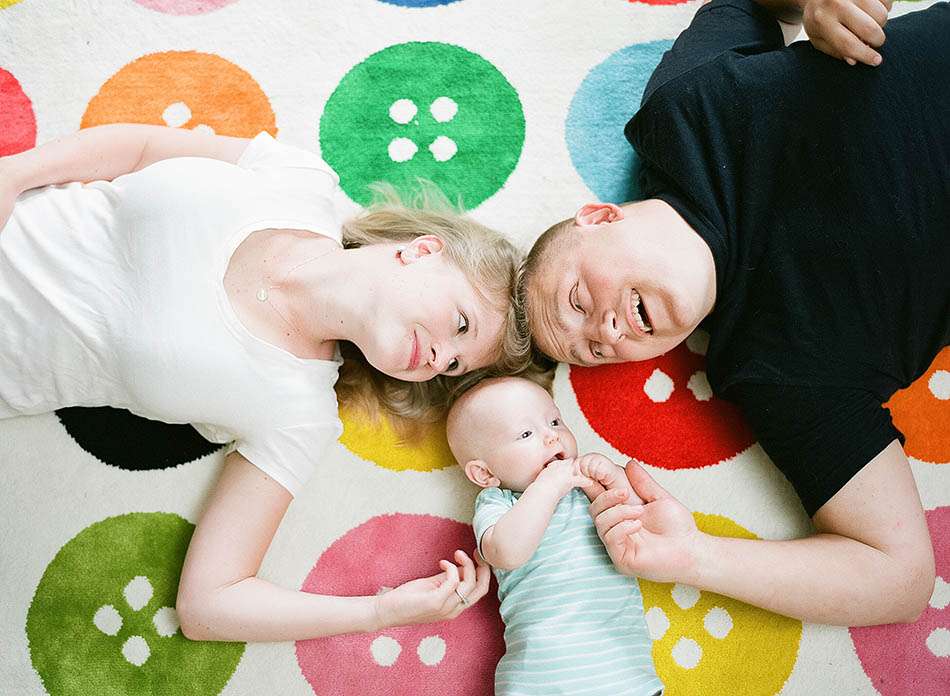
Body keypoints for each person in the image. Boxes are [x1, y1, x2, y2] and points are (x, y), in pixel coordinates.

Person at [0, 124, 532, 641]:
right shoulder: (299, 179)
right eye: (462, 324)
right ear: (422, 250)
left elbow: (210, 605)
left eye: (455, 366)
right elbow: (138, 146)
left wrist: (381, 611)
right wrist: (15, 173)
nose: (442, 357)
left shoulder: (298, 412)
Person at [520, 0, 949, 626]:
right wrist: (695, 557)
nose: (606, 331)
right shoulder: (776, 376)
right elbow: (899, 577)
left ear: (598, 216)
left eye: (577, 301)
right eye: (594, 350)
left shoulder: (682, 113)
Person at [447, 377, 663, 696]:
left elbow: (643, 525)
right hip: (540, 679)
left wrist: (613, 478)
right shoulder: (500, 504)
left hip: (622, 677)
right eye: (526, 433)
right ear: (486, 474)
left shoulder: (585, 489)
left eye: (554, 421)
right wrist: (548, 486)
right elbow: (506, 552)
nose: (552, 436)